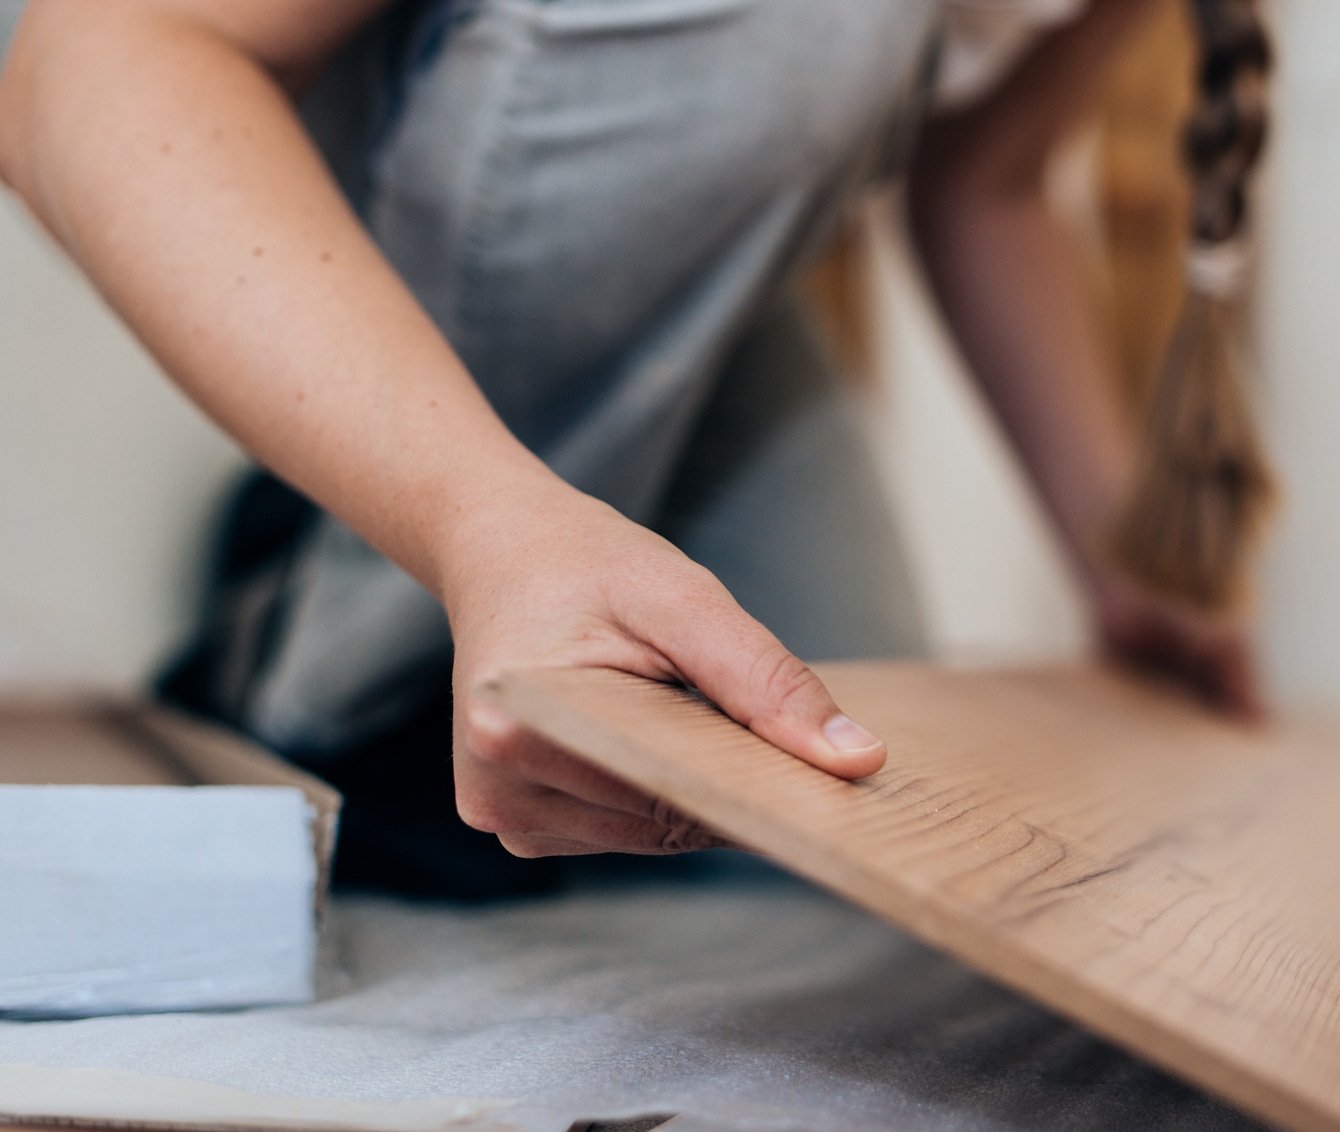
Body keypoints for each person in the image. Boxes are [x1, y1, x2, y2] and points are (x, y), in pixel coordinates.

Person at [0, 0, 1260, 896]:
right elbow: (90, 52)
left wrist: (1119, 560)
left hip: (659, 221)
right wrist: (481, 521)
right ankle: (327, 649)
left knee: (816, 854)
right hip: (270, 143)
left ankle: (461, 585)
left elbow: (986, 179)